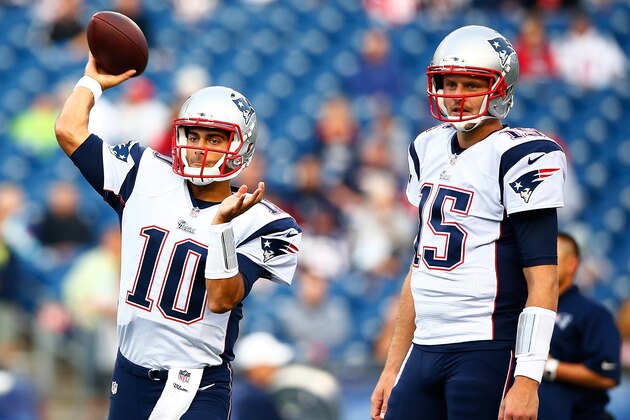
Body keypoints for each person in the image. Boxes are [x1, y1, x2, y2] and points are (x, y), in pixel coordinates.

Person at [54, 54, 301, 419]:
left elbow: (221, 299)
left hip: (196, 385)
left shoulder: (266, 222)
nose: (200, 146)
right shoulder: (145, 172)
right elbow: (68, 131)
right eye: (193, 134)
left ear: (241, 147)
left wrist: (220, 229)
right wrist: (91, 81)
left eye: (215, 138)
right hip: (128, 372)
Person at [370, 25, 567, 420]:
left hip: (486, 346)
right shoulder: (425, 147)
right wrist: (393, 366)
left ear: (500, 88)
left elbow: (543, 279)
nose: (457, 94)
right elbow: (419, 269)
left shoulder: (521, 154)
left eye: (470, 83)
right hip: (424, 349)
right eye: (450, 82)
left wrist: (528, 378)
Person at [538, 232, 621, 420]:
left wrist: (550, 366)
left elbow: (607, 375)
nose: (542, 262)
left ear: (571, 264)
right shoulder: (521, 306)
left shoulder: (593, 314)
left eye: (551, 255)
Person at [231, 332, 294, 420]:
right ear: (257, 367)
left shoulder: (234, 391)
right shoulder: (252, 399)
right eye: (271, 365)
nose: (276, 369)